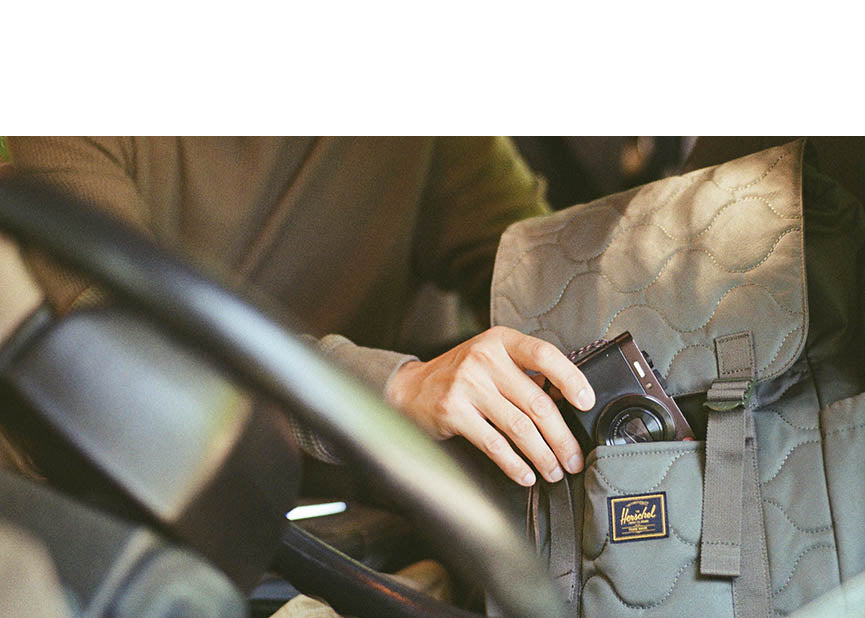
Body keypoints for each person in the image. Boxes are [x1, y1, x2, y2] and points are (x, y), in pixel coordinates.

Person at [3, 137, 595, 487]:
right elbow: (124, 361)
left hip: (357, 521)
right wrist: (394, 388)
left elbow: (560, 277)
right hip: (108, 508)